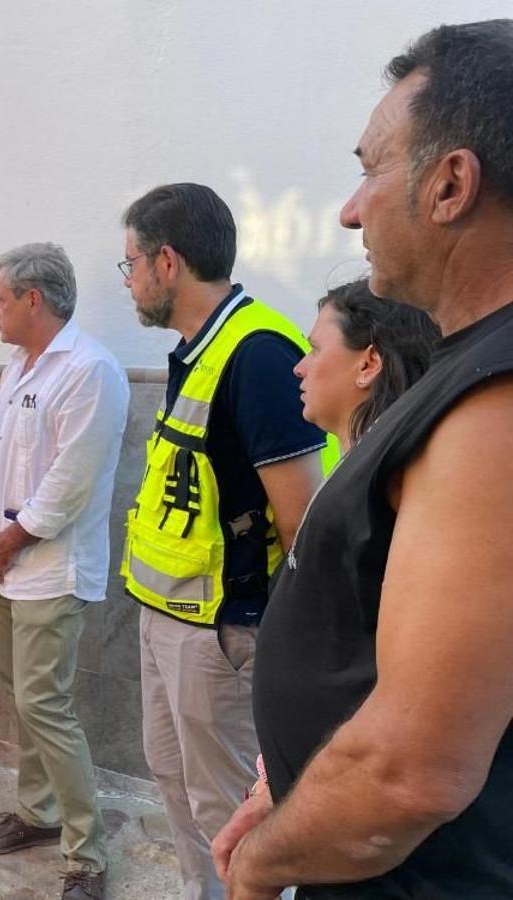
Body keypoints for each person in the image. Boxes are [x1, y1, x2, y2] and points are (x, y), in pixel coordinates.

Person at [216, 21, 513, 899]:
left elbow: (411, 772)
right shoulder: (465, 369)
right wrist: (284, 781)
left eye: (369, 168)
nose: (350, 209)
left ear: (451, 184)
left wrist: (263, 865)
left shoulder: (494, 401)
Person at [118, 183, 327, 900]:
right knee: (179, 793)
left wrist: (280, 648)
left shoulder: (259, 353)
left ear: (167, 263)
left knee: (231, 815)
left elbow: (303, 522)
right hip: (166, 618)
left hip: (220, 638)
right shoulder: (196, 348)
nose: (129, 282)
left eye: (131, 265)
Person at [0, 242, 129, 900]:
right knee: (24, 698)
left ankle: (86, 852)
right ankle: (39, 812)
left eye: (0, 298)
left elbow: (70, 485)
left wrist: (8, 540)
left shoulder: (90, 371)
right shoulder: (17, 367)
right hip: (1, 566)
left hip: (50, 571)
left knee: (46, 705)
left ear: (34, 299)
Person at [293, 278, 438, 452]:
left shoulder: (386, 474)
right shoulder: (406, 462)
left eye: (315, 349)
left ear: (368, 366)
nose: (298, 369)